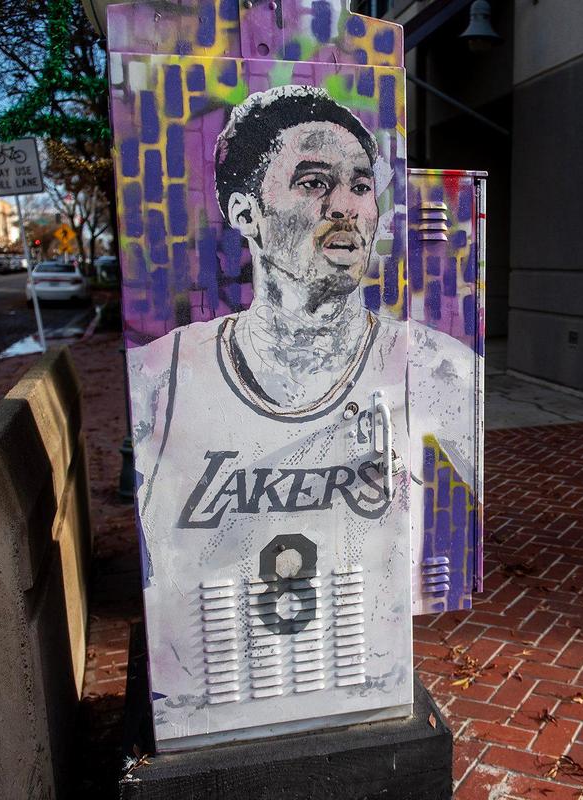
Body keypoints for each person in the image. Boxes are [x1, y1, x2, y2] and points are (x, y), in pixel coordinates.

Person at [126, 85, 475, 730]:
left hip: (371, 676)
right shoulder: (162, 375)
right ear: (245, 211)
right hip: (203, 697)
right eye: (313, 182)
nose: (344, 206)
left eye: (361, 185)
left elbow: (459, 538)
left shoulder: (437, 369)